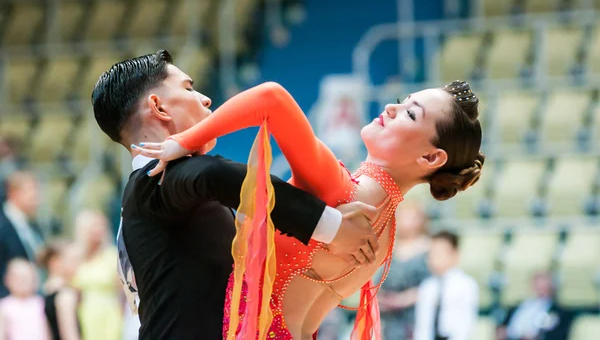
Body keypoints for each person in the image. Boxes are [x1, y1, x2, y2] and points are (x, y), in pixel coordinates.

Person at [134, 77, 485, 338]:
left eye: (410, 113)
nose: (390, 108)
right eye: (400, 100)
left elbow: (271, 98)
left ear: (431, 157)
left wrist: (183, 140)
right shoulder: (385, 234)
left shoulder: (338, 187)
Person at [90, 50, 380, 340]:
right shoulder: (154, 180)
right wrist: (331, 227)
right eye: (188, 88)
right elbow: (214, 174)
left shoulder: (151, 195)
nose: (206, 99)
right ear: (158, 107)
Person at [377, 201, 431, 340]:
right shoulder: (389, 246)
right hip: (388, 317)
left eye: (408, 216)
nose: (402, 220)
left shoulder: (428, 248)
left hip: (415, 316)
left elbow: (432, 286)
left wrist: (402, 300)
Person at [414, 230, 479, 340]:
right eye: (431, 253)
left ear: (455, 254)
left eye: (439, 253)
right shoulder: (427, 287)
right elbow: (422, 325)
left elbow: (465, 325)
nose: (433, 258)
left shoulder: (466, 285)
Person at [72, 211, 122, 340]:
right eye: (93, 227)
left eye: (100, 226)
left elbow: (122, 292)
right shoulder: (76, 257)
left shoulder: (113, 255)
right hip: (85, 314)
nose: (97, 231)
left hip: (110, 314)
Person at [0, 171, 45, 298]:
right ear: (14, 193)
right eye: (32, 190)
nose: (37, 197)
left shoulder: (33, 225)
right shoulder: (2, 227)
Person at [497, 271, 573, 340]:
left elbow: (557, 335)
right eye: (537, 286)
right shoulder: (517, 307)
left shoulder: (560, 312)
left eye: (544, 286)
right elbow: (502, 328)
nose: (540, 290)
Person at [38, 241, 82, 340]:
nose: (78, 265)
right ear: (55, 262)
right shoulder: (65, 294)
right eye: (73, 260)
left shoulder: (44, 292)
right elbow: (70, 335)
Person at [0, 259, 50, 340]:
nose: (22, 281)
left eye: (26, 277)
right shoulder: (4, 306)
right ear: (7, 280)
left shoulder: (42, 302)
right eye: (17, 277)